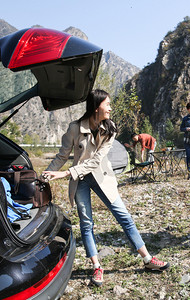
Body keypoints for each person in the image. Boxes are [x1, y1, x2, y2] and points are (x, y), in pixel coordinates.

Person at [42, 90, 169, 287]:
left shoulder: (110, 128)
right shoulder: (75, 128)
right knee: (86, 223)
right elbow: (61, 156)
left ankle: (147, 259)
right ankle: (96, 266)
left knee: (124, 216)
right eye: (107, 104)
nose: (110, 107)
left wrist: (66, 173)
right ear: (96, 107)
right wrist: (47, 175)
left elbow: (96, 161)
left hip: (101, 177)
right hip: (81, 179)